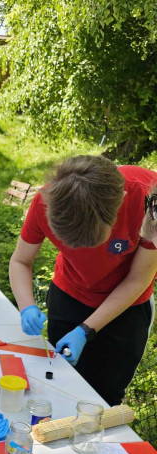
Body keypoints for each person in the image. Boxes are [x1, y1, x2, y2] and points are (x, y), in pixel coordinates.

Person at [9, 155, 157, 405]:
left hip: (126, 309)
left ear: (121, 200)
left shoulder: (149, 201)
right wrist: (27, 307)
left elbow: (137, 280)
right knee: (56, 382)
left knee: (103, 398)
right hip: (69, 295)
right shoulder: (48, 201)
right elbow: (20, 261)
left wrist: (86, 330)